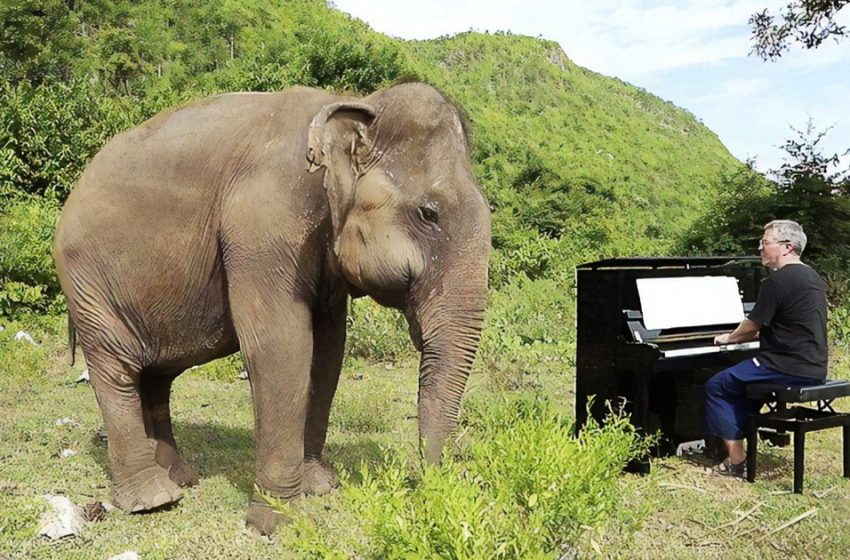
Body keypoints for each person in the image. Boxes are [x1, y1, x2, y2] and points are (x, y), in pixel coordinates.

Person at [705, 219, 828, 476]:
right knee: (745, 387)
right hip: (814, 365)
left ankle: (736, 461)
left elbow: (751, 326)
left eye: (765, 243)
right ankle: (735, 438)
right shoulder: (812, 276)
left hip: (784, 365)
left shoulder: (778, 281)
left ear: (787, 247)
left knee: (716, 385)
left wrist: (728, 338)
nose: (760, 248)